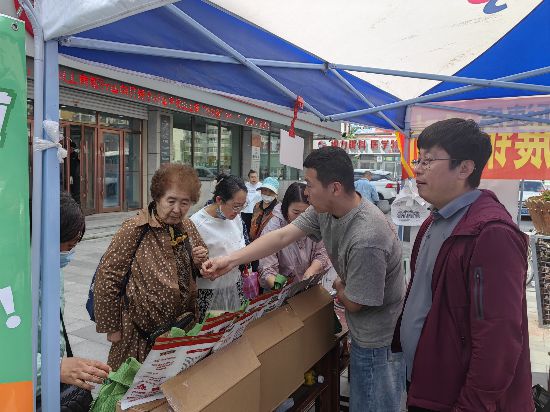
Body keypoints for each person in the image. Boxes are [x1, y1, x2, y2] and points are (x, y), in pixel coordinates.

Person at [202, 146, 406, 412]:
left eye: (309, 185)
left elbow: (356, 303)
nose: (306, 192)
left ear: (334, 187)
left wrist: (338, 284)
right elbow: (282, 237)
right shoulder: (325, 210)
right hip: (363, 332)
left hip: (379, 340)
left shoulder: (368, 236)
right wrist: (229, 260)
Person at [393, 118, 533, 411]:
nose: (417, 168)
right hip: (427, 384)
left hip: (456, 398)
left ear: (465, 168)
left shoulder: (491, 234)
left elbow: (498, 338)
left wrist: (472, 405)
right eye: (418, 159)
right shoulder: (434, 221)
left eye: (429, 160)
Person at [94, 164, 208, 369]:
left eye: (185, 203)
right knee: (133, 390)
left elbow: (201, 266)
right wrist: (112, 327)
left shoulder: (188, 226)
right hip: (138, 332)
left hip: (180, 329)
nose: (177, 209)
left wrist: (200, 261)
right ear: (157, 198)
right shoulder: (134, 228)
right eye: (171, 201)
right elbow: (107, 277)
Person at [37, 192, 111, 405]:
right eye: (68, 246)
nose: (69, 254)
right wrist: (52, 367)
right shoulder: (12, 279)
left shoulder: (52, 268)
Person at [190, 174, 249, 321]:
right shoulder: (196, 223)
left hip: (235, 285)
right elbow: (188, 264)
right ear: (219, 200)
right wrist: (198, 263)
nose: (238, 211)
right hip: (209, 292)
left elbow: (242, 245)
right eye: (235, 206)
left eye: (242, 206)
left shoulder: (235, 218)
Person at [258, 182, 332, 290]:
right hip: (282, 290)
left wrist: (311, 270)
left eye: (306, 213)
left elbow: (322, 251)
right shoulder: (274, 228)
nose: (301, 219)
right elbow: (267, 268)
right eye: (296, 212)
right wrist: (280, 288)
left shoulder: (315, 221)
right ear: (286, 208)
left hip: (310, 285)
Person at [249, 176, 279, 240]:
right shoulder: (257, 205)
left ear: (276, 193)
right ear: (261, 190)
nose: (267, 193)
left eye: (271, 191)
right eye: (265, 190)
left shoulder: (279, 209)